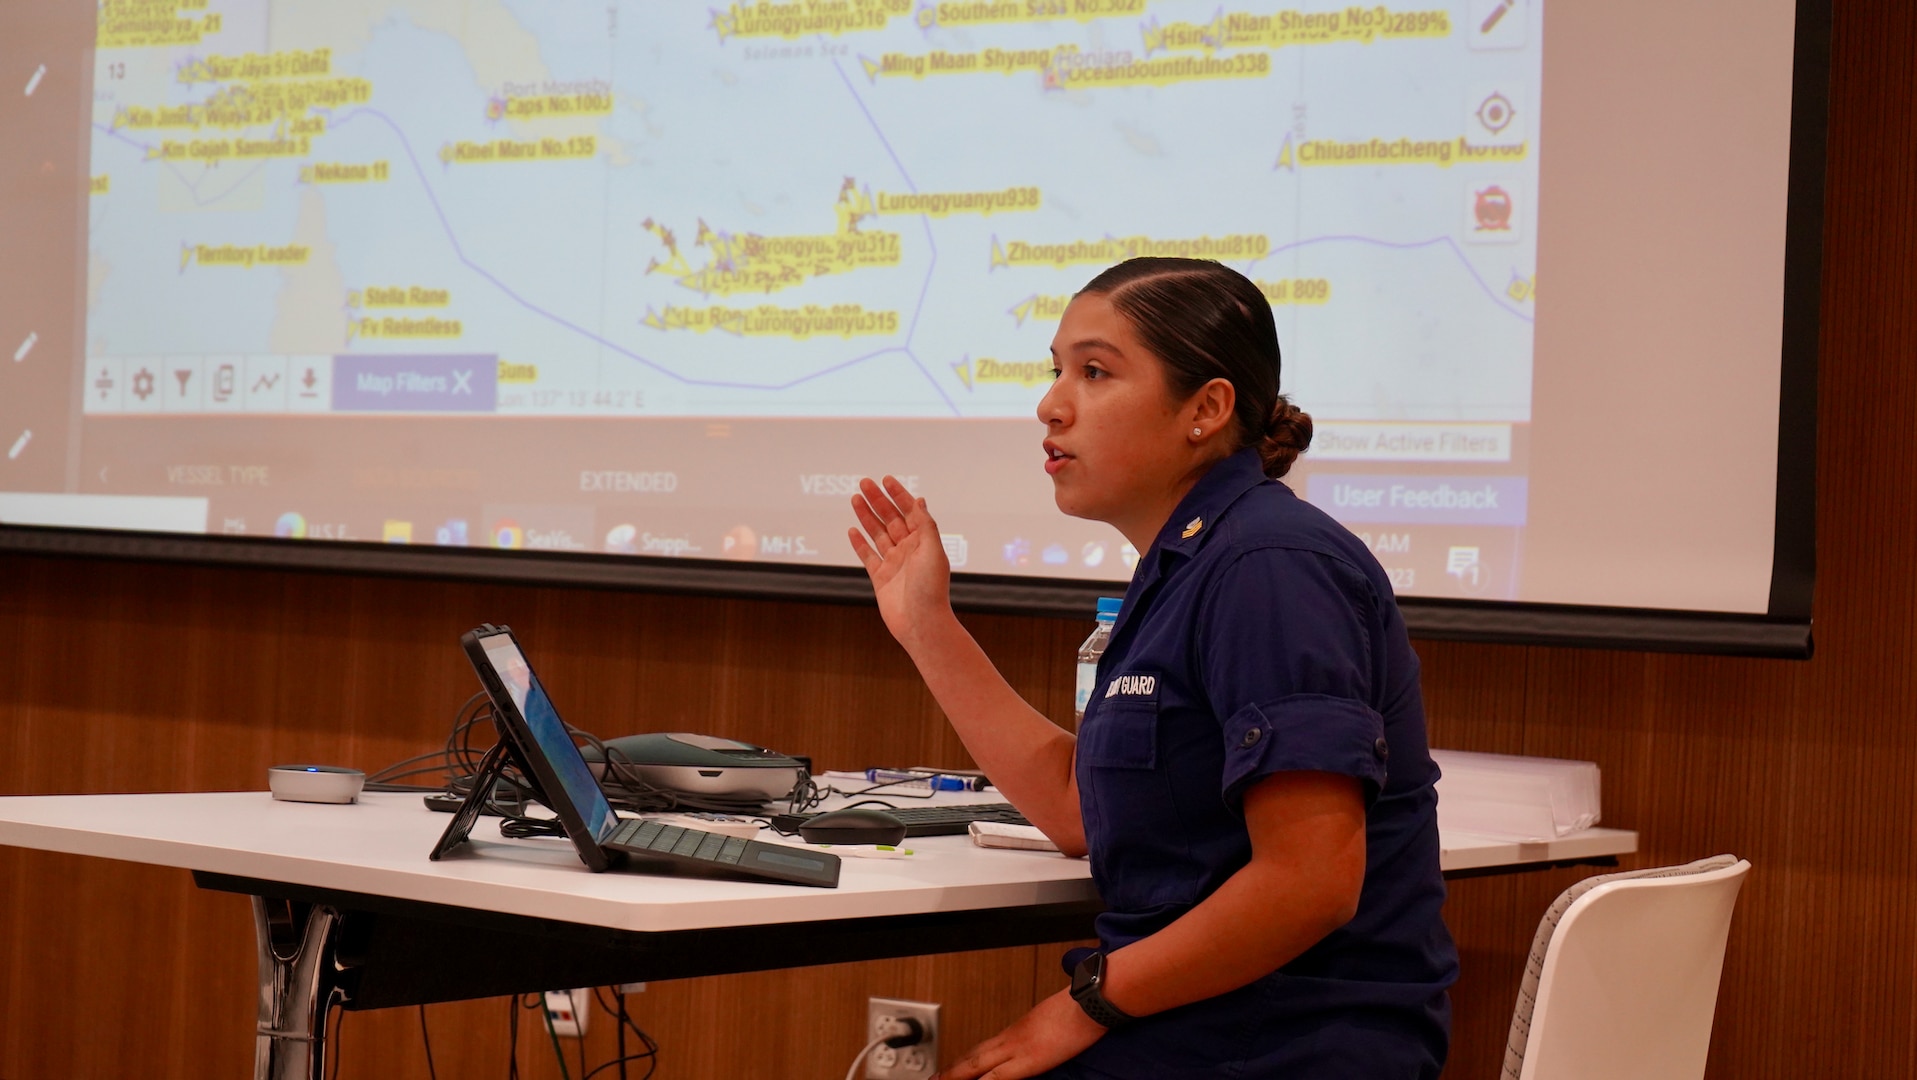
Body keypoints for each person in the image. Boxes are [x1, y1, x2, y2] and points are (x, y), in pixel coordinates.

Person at [846, 257, 1457, 1079]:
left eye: (1094, 372)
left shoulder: (1269, 565)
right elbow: (1076, 812)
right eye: (1055, 369)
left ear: (1204, 409)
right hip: (1194, 1028)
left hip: (1284, 1042)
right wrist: (925, 625)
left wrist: (1084, 1004)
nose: (1050, 403)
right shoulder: (1186, 566)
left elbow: (1310, 881)